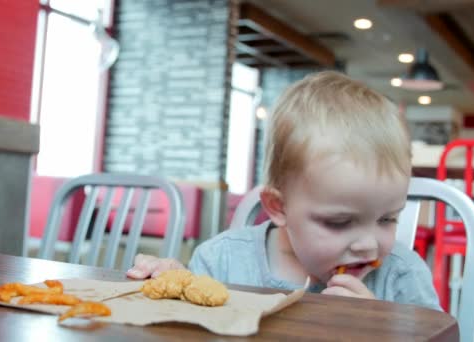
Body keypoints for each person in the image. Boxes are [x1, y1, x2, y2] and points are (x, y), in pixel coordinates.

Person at [127, 71, 441, 310]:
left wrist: (377, 330)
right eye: (340, 222)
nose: (368, 245)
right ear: (278, 207)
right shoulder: (222, 261)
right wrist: (174, 288)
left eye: (388, 219)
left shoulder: (401, 276)